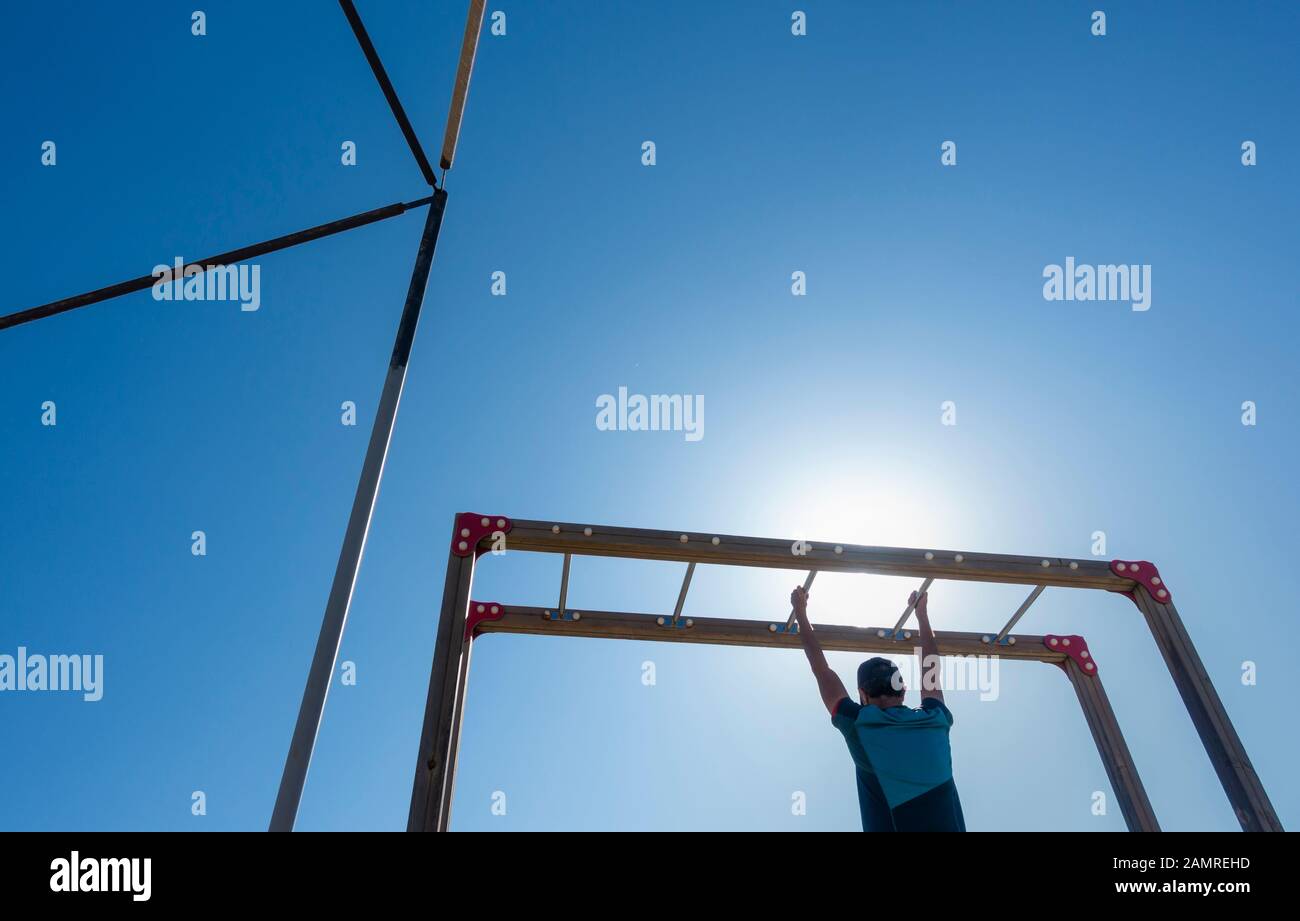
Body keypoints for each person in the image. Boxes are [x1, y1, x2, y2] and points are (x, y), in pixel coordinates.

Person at [790, 585, 966, 831]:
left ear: (862, 694)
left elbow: (820, 669)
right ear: (903, 691)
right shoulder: (934, 720)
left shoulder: (860, 725)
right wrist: (922, 616)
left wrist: (800, 612)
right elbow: (931, 669)